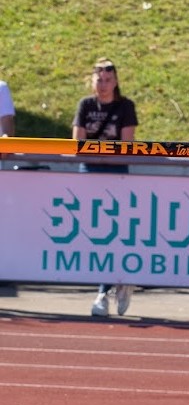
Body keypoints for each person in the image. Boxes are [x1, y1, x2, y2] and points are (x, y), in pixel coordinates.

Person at [72, 59, 139, 317]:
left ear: (116, 81)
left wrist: (99, 154)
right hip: (89, 174)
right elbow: (77, 143)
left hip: (115, 176)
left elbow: (126, 147)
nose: (103, 85)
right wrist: (98, 155)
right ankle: (116, 280)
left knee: (111, 232)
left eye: (108, 80)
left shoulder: (125, 106)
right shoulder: (86, 105)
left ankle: (104, 291)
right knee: (90, 232)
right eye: (99, 80)